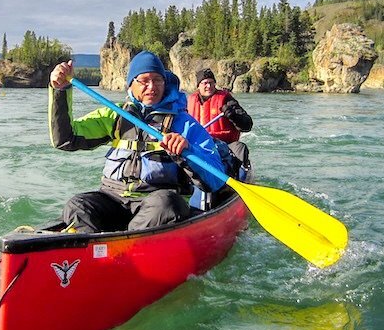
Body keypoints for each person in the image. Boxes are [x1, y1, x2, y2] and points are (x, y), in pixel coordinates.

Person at [48, 51, 228, 233]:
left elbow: (216, 180)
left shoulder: (185, 123)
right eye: (144, 80)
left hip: (157, 203)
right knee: (77, 205)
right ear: (131, 85)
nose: (152, 87)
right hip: (114, 198)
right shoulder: (115, 116)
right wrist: (60, 92)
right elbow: (65, 139)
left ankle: (123, 244)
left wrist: (188, 150)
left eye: (158, 80)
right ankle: (90, 249)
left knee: (168, 203)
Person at [187, 68, 253, 178]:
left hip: (226, 144)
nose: (208, 86)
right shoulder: (189, 102)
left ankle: (239, 179)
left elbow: (247, 125)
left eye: (211, 83)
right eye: (205, 83)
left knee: (240, 147)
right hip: (200, 145)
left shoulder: (226, 100)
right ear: (198, 86)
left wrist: (233, 116)